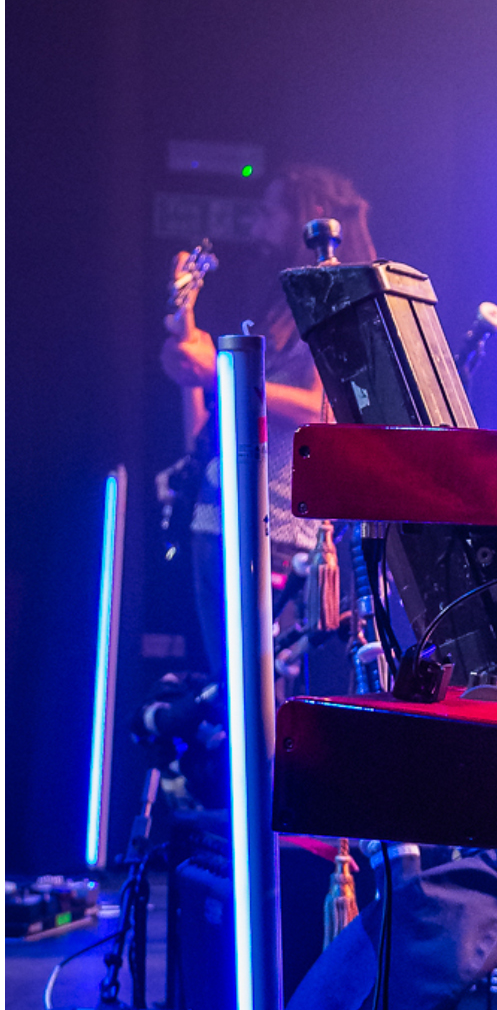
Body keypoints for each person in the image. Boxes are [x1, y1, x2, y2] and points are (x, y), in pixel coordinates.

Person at [161, 165, 377, 659]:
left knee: (264, 701)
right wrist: (188, 351)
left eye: (267, 213)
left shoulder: (335, 303)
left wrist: (216, 369)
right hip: (216, 520)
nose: (256, 228)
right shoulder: (279, 308)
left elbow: (323, 413)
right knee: (231, 694)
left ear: (311, 216)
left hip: (277, 532)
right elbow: (207, 428)